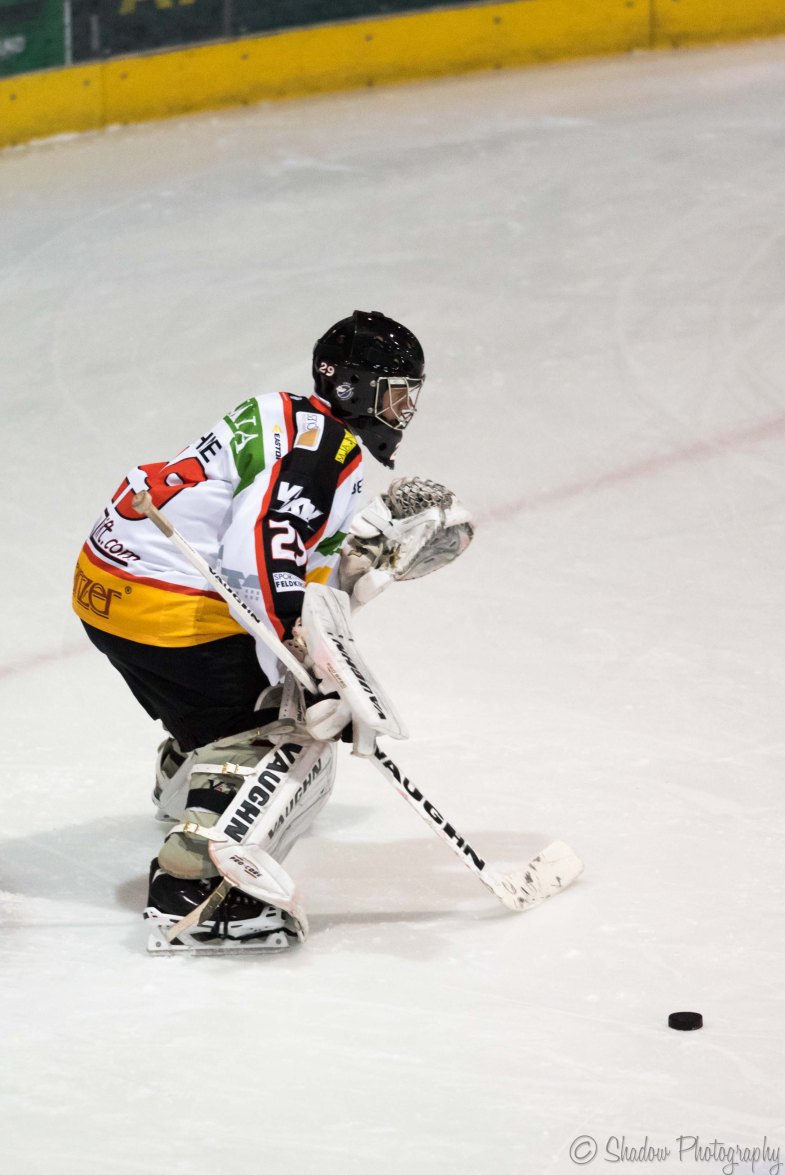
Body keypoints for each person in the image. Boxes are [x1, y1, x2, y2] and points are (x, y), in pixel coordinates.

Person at [74, 309, 472, 952]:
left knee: (254, 698)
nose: (403, 410)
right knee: (293, 730)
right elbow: (259, 545)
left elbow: (279, 539)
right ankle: (198, 893)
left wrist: (356, 556)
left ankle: (190, 774)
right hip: (167, 608)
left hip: (112, 588)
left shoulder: (286, 415)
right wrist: (306, 665)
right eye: (394, 393)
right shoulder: (326, 449)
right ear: (352, 387)